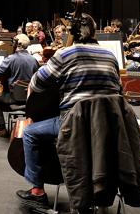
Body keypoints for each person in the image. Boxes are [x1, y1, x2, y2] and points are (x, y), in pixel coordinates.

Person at [16, 13, 123, 207]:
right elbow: (120, 91)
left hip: (75, 123)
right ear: (94, 32)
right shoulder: (111, 56)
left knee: (30, 133)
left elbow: (37, 83)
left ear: (72, 32)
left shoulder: (66, 54)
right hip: (107, 125)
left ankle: (37, 191)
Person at [0, 34, 39, 137]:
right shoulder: (34, 60)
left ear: (16, 44)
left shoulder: (11, 59)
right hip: (30, 98)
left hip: (13, 98)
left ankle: (2, 127)